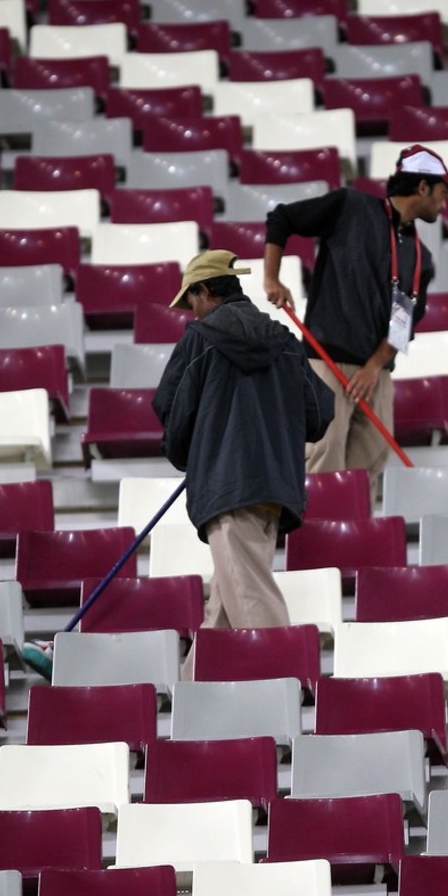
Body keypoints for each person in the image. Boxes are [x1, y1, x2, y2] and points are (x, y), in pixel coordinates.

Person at [152, 249, 335, 678]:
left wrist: (193, 455)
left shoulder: (199, 340)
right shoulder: (285, 341)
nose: (191, 312)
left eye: (191, 300)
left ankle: (291, 689)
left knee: (252, 606)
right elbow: (318, 414)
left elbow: (171, 409)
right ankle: (192, 700)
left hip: (226, 489)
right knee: (226, 606)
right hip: (275, 491)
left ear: (204, 290)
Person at [263, 144, 448, 504]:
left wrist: (373, 367)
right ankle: (318, 543)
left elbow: (403, 323)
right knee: (323, 453)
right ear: (422, 188)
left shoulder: (422, 258)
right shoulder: (350, 206)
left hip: (375, 373)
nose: (444, 202)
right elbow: (282, 219)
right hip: (325, 361)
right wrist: (271, 278)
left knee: (370, 459)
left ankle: (355, 538)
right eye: (443, 192)